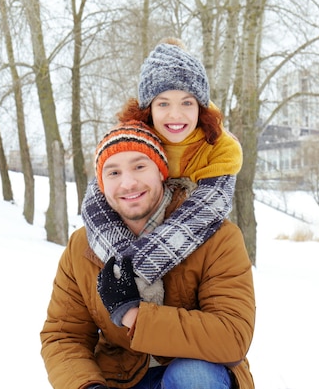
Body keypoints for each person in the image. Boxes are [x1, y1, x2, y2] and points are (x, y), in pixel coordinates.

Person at [40, 120, 255, 389]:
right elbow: (64, 337)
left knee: (192, 375)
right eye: (113, 172)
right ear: (101, 183)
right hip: (121, 379)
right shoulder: (83, 245)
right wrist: (87, 386)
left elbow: (232, 335)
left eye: (139, 166)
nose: (128, 183)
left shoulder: (216, 235)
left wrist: (134, 316)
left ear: (161, 171)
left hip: (195, 372)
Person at [82, 38, 243, 292]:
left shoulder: (219, 147)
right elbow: (99, 193)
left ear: (200, 107)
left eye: (187, 102)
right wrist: (120, 265)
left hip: (189, 244)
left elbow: (204, 212)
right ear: (149, 108)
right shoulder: (136, 136)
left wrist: (138, 268)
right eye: (164, 103)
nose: (175, 115)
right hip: (139, 225)